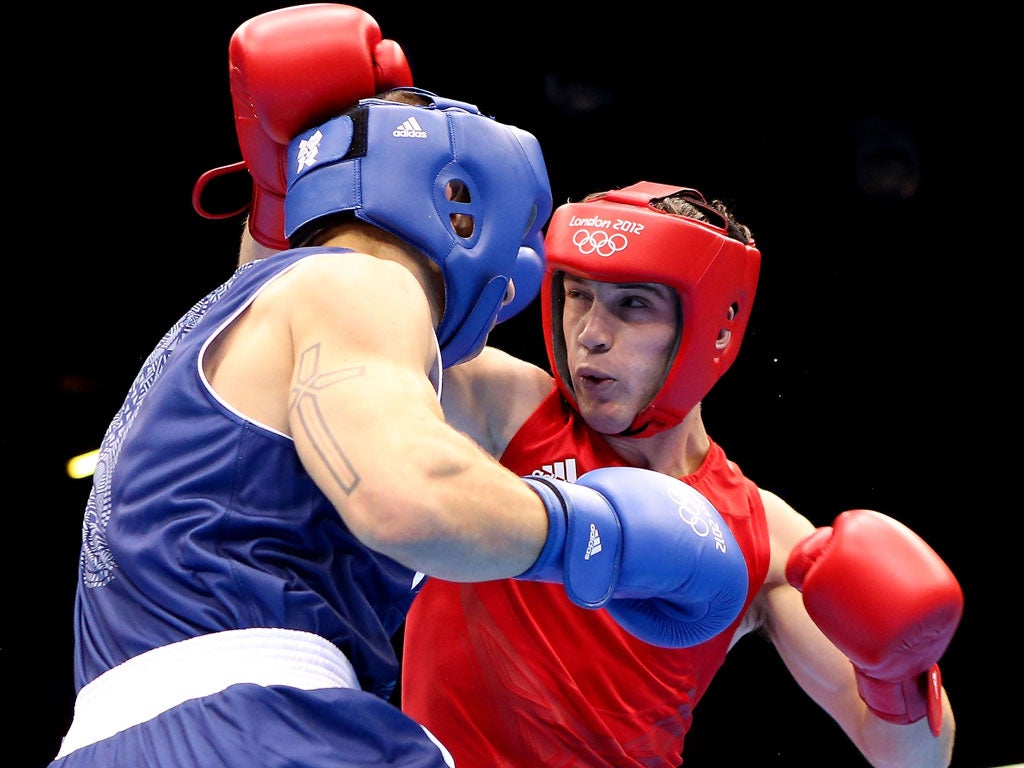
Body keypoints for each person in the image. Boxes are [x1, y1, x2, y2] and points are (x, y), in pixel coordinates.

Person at [48, 8, 753, 767]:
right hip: (267, 725)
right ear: (459, 205)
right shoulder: (367, 286)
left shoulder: (237, 314)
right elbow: (406, 498)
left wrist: (285, 179)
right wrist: (598, 536)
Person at [400, 181, 964, 768]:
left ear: (712, 331)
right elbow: (349, 341)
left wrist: (898, 674)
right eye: (577, 295)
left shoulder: (766, 538)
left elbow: (914, 760)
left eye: (633, 304)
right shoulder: (500, 406)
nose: (590, 333)